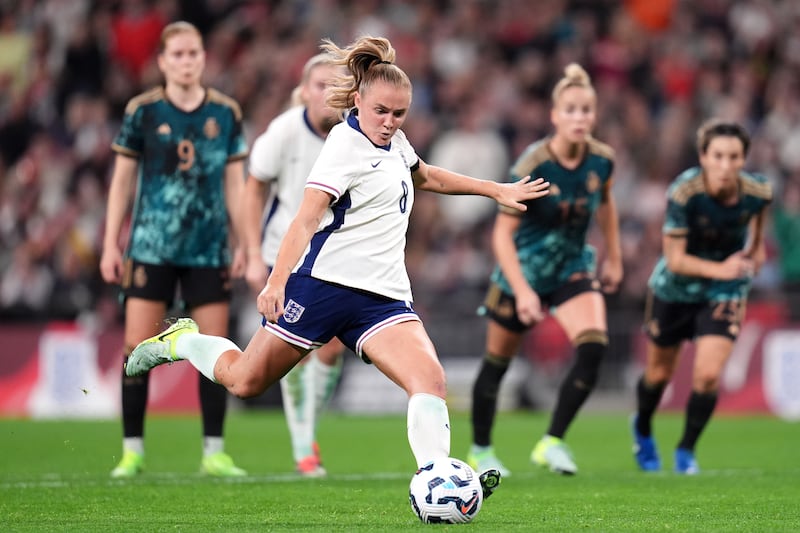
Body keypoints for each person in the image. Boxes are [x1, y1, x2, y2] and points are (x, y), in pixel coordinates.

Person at [125, 35, 548, 491]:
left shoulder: (396, 143)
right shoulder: (344, 144)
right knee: (245, 381)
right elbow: (305, 220)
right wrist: (276, 282)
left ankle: (438, 477)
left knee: (429, 378)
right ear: (359, 99)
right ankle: (185, 342)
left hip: (382, 298)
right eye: (381, 111)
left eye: (399, 113)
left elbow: (427, 175)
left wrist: (496, 189)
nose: (389, 122)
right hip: (322, 288)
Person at [100, 21, 248, 478]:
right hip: (151, 246)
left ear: (204, 58)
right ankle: (132, 451)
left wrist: (246, 242)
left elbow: (235, 184)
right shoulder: (142, 111)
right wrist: (111, 242)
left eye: (193, 53)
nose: (187, 61)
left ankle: (214, 452)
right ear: (163, 61)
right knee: (136, 348)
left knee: (218, 348)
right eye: (178, 55)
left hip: (208, 249)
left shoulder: (225, 112)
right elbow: (123, 179)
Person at [468, 63, 622, 477]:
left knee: (594, 347)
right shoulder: (532, 164)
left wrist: (614, 257)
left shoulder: (602, 161)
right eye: (570, 110)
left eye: (586, 110)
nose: (579, 118)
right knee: (497, 363)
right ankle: (481, 450)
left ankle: (552, 442)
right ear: (554, 115)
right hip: (522, 271)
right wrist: (522, 291)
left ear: (594, 115)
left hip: (571, 265)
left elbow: (605, 205)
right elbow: (501, 236)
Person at [632, 119, 771, 474]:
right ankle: (643, 428)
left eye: (734, 157)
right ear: (704, 157)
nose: (726, 165)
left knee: (708, 376)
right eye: (719, 156)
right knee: (659, 374)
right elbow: (675, 259)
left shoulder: (758, 192)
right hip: (675, 288)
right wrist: (720, 268)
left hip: (724, 290)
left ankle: (686, 451)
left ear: (743, 159)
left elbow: (756, 232)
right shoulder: (684, 192)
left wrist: (755, 253)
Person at [242, 52, 345, 477]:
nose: (326, 93)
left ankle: (306, 429)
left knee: (333, 350)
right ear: (304, 91)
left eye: (333, 85)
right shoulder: (284, 132)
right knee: (295, 353)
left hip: (333, 258)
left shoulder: (354, 134)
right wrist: (251, 256)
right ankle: (305, 445)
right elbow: (253, 191)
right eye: (318, 84)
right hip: (283, 255)